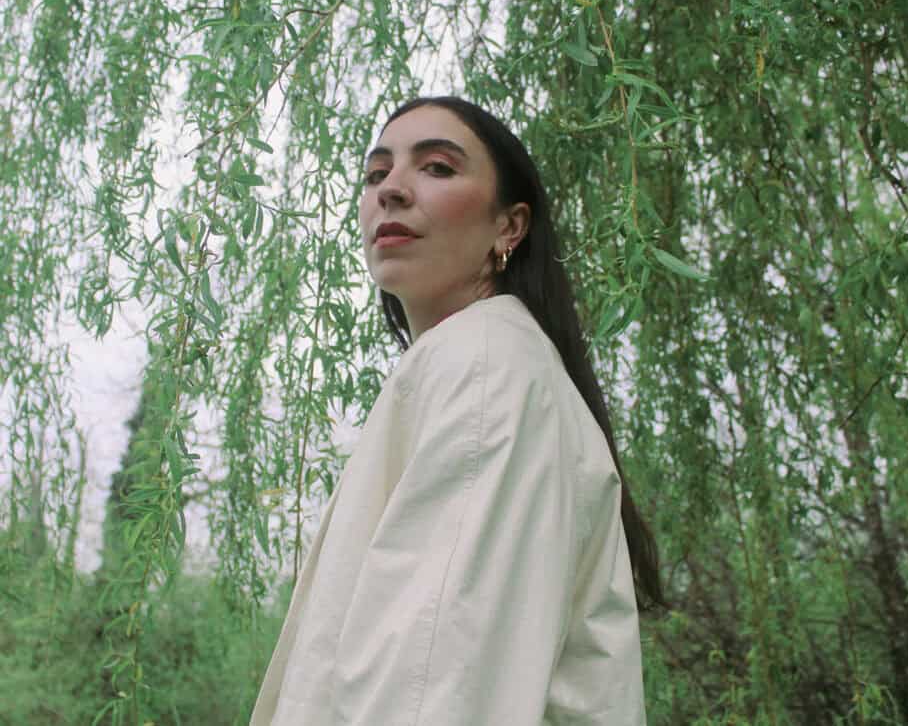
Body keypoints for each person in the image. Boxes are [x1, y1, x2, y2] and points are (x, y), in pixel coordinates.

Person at [250, 97, 665, 725]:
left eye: (438, 167)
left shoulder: (488, 370)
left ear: (510, 227)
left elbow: (437, 683)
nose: (390, 190)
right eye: (376, 173)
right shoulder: (473, 365)